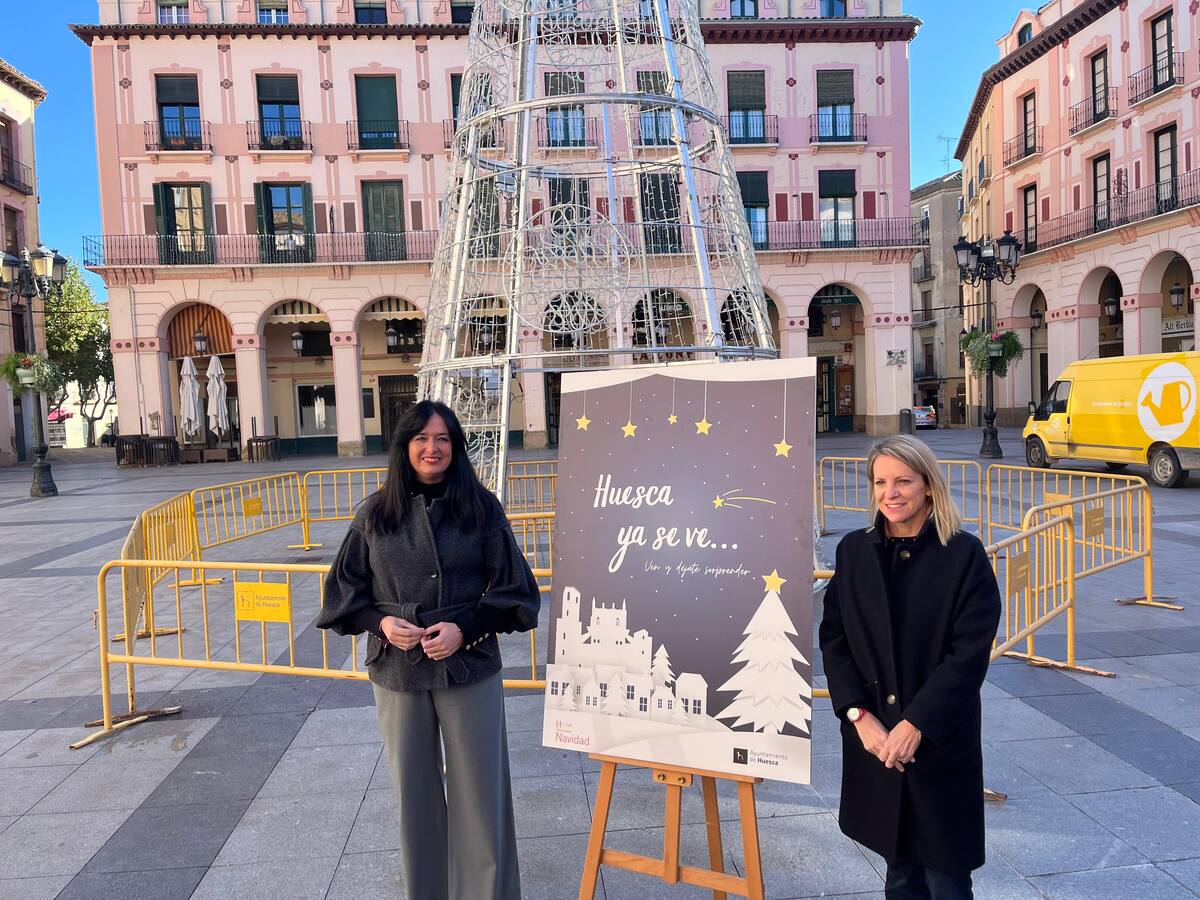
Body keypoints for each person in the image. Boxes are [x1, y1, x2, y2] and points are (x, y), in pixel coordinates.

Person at [317, 400, 539, 900]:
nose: (432, 448)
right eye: (421, 438)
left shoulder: (482, 509)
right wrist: (381, 624)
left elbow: (517, 593)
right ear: (405, 447)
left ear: (455, 446)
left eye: (442, 439)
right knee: (413, 796)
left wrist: (466, 628)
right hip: (398, 672)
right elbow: (343, 594)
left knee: (481, 794)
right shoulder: (374, 514)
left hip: (470, 667)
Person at [818, 435, 1001, 899]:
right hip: (876, 740)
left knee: (946, 877)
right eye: (880, 482)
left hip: (938, 743)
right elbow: (835, 639)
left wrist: (917, 723)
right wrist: (858, 715)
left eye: (903, 481)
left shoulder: (964, 555)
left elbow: (968, 654)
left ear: (928, 485)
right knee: (899, 873)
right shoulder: (854, 551)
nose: (890, 493)